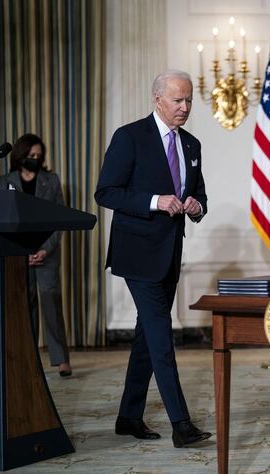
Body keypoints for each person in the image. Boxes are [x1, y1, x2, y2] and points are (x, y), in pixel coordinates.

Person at [94, 70, 211, 448]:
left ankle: (128, 417)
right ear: (157, 98)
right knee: (162, 338)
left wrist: (195, 206)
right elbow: (106, 192)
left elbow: (200, 197)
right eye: (178, 100)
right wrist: (154, 201)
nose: (185, 107)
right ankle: (181, 424)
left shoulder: (191, 145)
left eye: (189, 100)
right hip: (137, 254)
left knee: (147, 338)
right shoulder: (129, 137)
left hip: (170, 253)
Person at [0, 134, 73, 377]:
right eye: (31, 156)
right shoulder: (3, 182)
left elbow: (59, 219)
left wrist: (44, 250)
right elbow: (1, 221)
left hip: (46, 251)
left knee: (50, 301)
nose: (35, 160)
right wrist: (20, 251)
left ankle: (61, 359)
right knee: (24, 306)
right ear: (20, 156)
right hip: (18, 254)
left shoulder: (51, 180)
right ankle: (28, 356)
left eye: (39, 156)